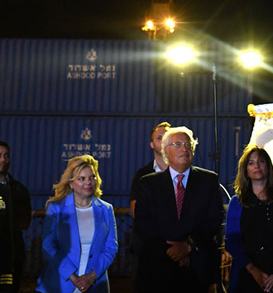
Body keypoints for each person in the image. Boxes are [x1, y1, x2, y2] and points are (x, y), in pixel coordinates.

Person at [133, 126, 224, 292]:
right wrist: (174, 252)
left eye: (188, 145)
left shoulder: (208, 180)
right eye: (177, 144)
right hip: (158, 270)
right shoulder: (148, 184)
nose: (184, 148)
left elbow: (214, 220)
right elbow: (143, 223)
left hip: (197, 269)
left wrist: (188, 245)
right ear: (166, 151)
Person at [36, 155, 118, 293]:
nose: (88, 182)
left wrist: (92, 276)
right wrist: (72, 276)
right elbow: (48, 245)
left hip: (95, 285)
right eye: (82, 178)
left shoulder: (106, 209)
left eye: (92, 177)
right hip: (60, 284)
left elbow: (111, 247)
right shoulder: (56, 208)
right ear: (71, 183)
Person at [225, 145, 273, 293]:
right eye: (251, 163)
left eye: (261, 161)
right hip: (246, 276)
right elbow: (232, 242)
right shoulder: (237, 202)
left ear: (268, 166)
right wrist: (254, 271)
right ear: (245, 170)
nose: (257, 166)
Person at [0, 141, 32, 293]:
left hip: (10, 258)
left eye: (6, 156)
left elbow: (24, 222)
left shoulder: (18, 189)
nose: (3, 160)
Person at [129, 122, 171, 219]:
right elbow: (137, 213)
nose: (164, 141)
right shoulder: (142, 175)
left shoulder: (183, 172)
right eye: (159, 138)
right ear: (151, 144)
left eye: (167, 137)